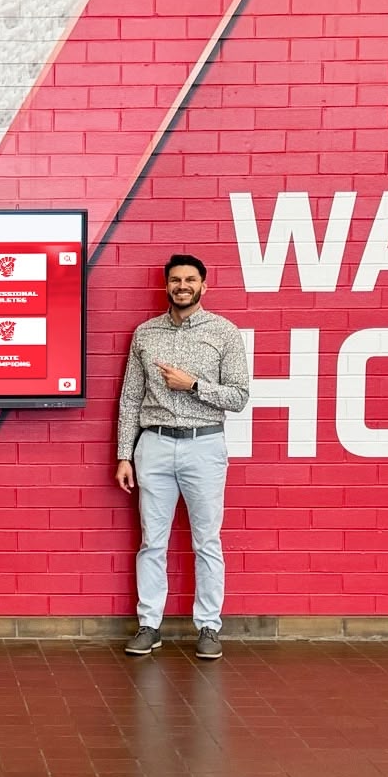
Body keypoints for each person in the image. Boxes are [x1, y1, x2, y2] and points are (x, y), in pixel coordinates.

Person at [114, 254, 251, 659]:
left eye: (191, 279)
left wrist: (193, 385)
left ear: (203, 286)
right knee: (151, 542)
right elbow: (129, 399)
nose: (183, 285)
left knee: (207, 541)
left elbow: (239, 396)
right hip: (153, 445)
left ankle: (209, 627)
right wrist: (125, 454)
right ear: (167, 286)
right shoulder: (145, 334)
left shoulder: (223, 333)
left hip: (204, 444)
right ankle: (148, 625)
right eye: (175, 279)